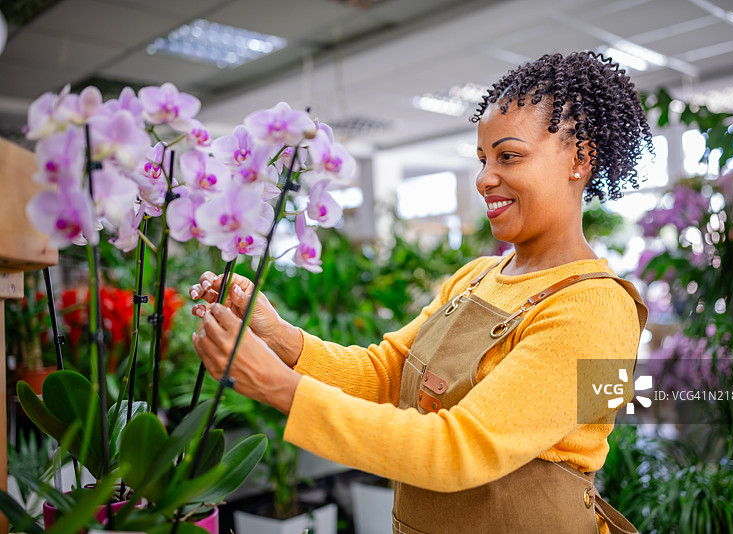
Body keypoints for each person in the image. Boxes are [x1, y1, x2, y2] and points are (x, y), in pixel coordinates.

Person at [190, 51, 651, 534]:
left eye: (508, 156)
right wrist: (280, 337)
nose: (484, 178)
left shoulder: (600, 309)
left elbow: (459, 451)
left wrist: (279, 388)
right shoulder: (475, 276)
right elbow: (388, 375)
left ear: (581, 158)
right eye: (483, 159)